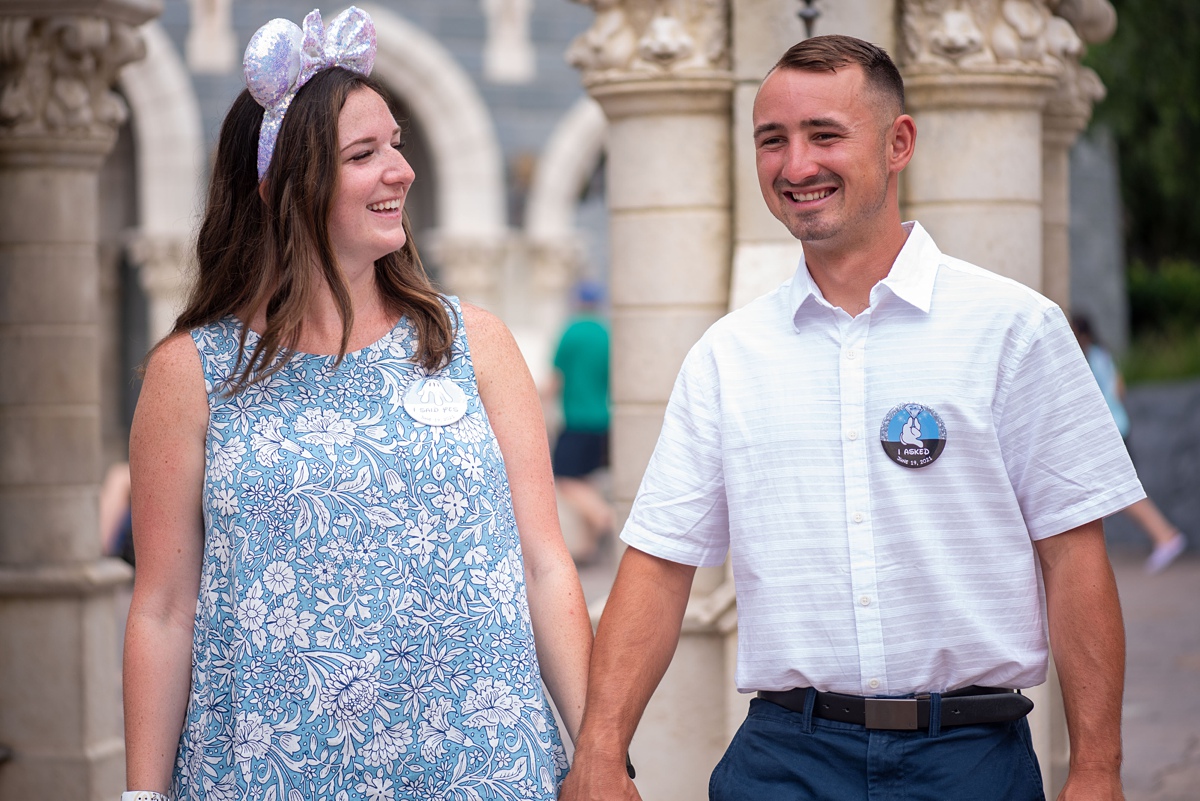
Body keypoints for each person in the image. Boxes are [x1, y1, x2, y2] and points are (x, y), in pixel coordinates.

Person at [561, 35, 1140, 801]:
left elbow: (1074, 556)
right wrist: (600, 750)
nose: (796, 165)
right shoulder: (727, 356)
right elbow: (660, 567)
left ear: (899, 142)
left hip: (968, 759)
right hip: (783, 760)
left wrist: (1096, 770)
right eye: (773, 140)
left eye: (825, 135)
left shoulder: (1014, 330)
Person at [122, 8, 591, 801]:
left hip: (481, 767)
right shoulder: (189, 371)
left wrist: (603, 749)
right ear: (280, 189)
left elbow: (546, 564)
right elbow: (164, 608)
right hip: (270, 772)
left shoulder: (474, 342)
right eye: (365, 154)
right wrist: (140, 795)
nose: (401, 171)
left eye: (398, 145)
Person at [1072, 313, 1188, 573]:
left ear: (1081, 334)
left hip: (1108, 431)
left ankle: (1165, 535)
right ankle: (1164, 535)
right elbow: (1119, 389)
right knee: (1116, 490)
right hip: (1117, 426)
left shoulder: (1089, 359)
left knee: (1121, 490)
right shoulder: (1102, 356)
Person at [550, 280, 613, 562]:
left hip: (577, 419)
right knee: (587, 479)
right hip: (603, 419)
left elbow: (555, 379)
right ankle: (587, 548)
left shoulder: (572, 333)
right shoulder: (605, 334)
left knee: (567, 480)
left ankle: (606, 518)